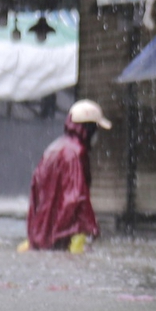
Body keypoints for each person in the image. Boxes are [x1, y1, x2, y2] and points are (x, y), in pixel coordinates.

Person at [23, 99, 110, 252]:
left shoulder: (53, 148)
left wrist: (35, 229)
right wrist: (90, 226)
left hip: (41, 232)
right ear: (88, 129)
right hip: (67, 234)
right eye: (96, 129)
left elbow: (36, 190)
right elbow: (77, 195)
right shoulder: (76, 153)